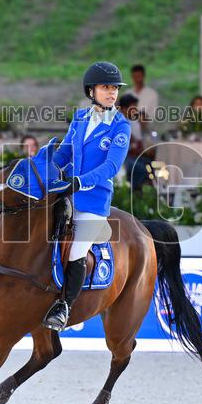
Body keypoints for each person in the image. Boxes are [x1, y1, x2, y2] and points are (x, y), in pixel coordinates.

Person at [46, 61, 132, 331]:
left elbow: (111, 167)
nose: (112, 93)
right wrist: (44, 166)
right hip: (67, 192)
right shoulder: (80, 118)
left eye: (115, 88)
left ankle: (65, 307)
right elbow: (64, 154)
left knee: (77, 248)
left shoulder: (121, 126)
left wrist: (80, 182)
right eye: (106, 87)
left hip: (94, 201)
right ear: (91, 91)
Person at [118, 93, 148, 190]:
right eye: (132, 108)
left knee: (149, 163)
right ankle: (133, 193)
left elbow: (137, 143)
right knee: (141, 169)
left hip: (130, 154)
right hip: (120, 157)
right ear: (123, 109)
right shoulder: (118, 122)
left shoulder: (130, 121)